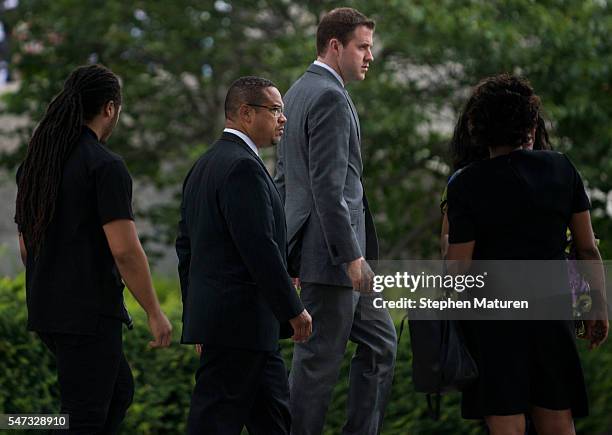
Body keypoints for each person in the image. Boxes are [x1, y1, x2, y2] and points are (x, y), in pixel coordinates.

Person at [446, 74, 608, 435]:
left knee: (506, 424)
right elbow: (586, 247)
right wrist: (597, 306)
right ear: (531, 124)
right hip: (553, 310)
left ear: (477, 127)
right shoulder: (562, 168)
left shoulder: (466, 184)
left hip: (494, 318)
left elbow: (459, 267)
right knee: (557, 421)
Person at [14, 64, 172, 434]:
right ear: (110, 109)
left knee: (116, 392)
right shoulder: (105, 166)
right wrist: (154, 311)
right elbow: (125, 250)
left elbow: (25, 247)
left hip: (47, 308)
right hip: (88, 313)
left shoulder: (37, 166)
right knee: (83, 416)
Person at [274, 8, 397, 434]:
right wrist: (349, 258)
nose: (369, 56)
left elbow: (284, 183)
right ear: (334, 46)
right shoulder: (327, 96)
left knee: (381, 345)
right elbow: (327, 189)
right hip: (333, 260)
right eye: (362, 46)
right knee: (316, 367)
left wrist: (287, 254)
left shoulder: (294, 92)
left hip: (324, 254)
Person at [176, 76, 312, 435]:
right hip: (238, 327)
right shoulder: (242, 168)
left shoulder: (204, 165)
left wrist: (197, 317)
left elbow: (186, 249)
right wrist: (292, 308)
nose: (283, 118)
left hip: (243, 330)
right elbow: (259, 248)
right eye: (276, 110)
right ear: (246, 114)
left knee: (275, 422)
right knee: (213, 424)